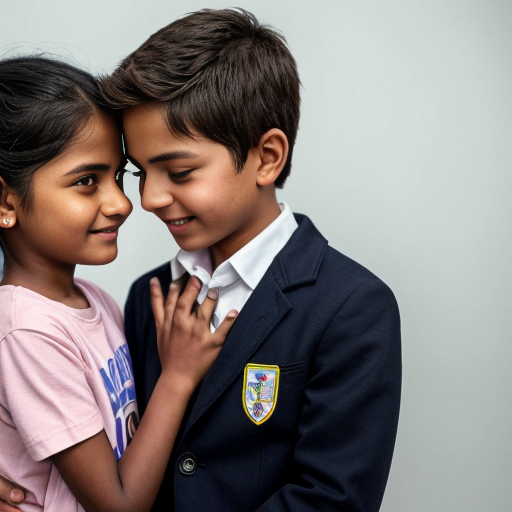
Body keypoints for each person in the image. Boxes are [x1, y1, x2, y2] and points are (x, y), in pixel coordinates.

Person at [0, 8, 401, 512]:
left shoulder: (352, 307)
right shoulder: (150, 298)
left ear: (267, 157)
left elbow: (331, 499)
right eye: (141, 171)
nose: (146, 199)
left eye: (180, 172)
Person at [0, 56, 236, 512]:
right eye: (87, 181)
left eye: (119, 176)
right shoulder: (28, 330)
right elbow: (118, 505)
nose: (123, 203)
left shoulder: (97, 301)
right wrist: (178, 377)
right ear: (6, 201)